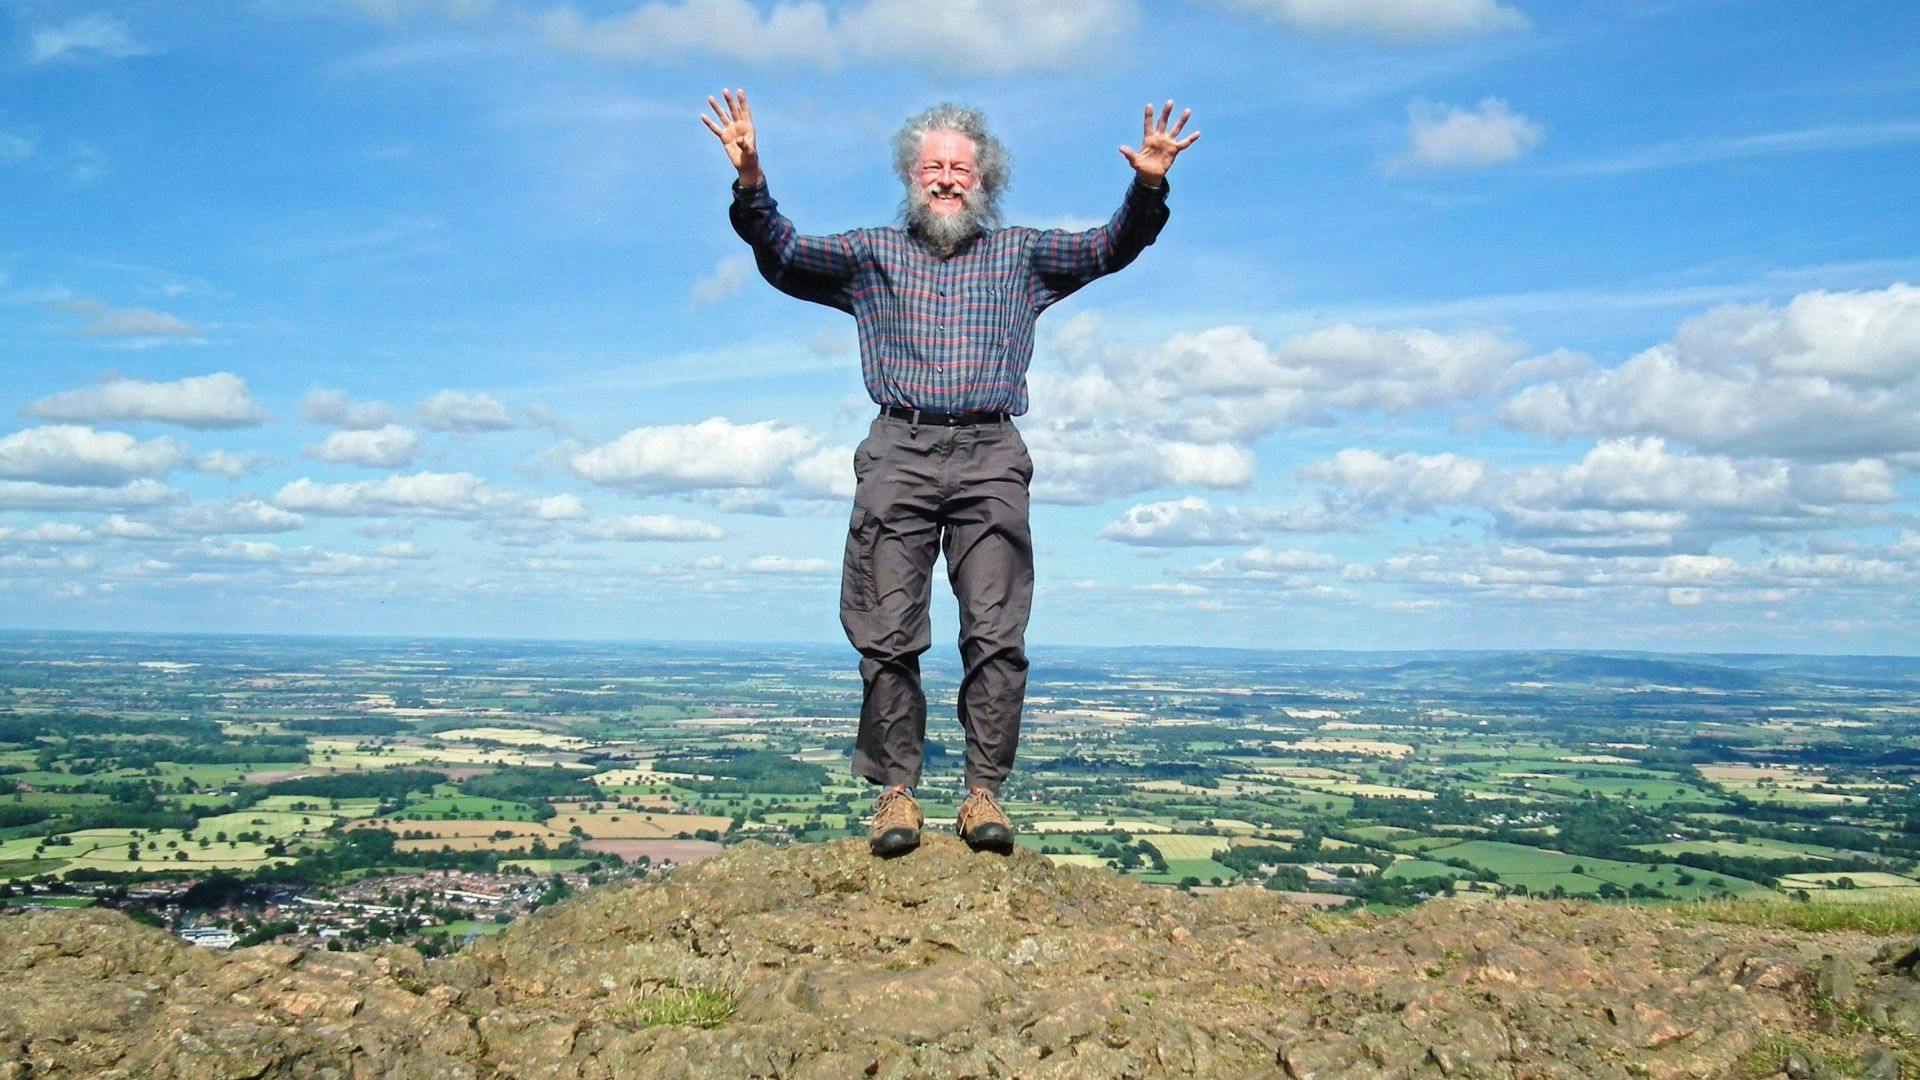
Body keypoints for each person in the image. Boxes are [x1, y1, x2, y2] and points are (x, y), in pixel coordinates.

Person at [703, 89, 1198, 858]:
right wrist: (751, 183)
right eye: (931, 166)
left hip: (991, 451)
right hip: (899, 450)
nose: (944, 178)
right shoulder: (871, 254)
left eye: (959, 168)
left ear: (983, 179)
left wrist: (1150, 184)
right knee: (888, 632)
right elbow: (785, 254)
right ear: (910, 174)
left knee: (997, 633)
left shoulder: (1022, 256)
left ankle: (981, 795)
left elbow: (1111, 246)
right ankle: (897, 797)